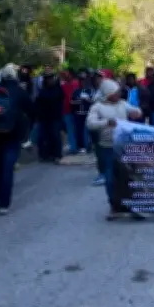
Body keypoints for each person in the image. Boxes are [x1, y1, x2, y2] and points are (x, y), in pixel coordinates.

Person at [86, 79, 142, 220]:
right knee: (110, 178)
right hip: (106, 147)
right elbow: (90, 123)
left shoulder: (122, 104)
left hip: (123, 146)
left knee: (127, 176)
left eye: (118, 92)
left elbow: (136, 110)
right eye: (115, 92)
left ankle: (131, 205)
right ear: (108, 93)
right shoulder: (97, 107)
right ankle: (114, 206)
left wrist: (136, 112)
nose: (118, 94)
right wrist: (106, 122)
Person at [0, 64, 33, 215]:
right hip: (12, 133)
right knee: (8, 166)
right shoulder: (19, 91)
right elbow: (32, 110)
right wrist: (27, 129)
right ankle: (4, 203)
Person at [35, 71, 64, 163]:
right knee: (43, 137)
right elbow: (38, 103)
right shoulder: (43, 90)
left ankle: (57, 154)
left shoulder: (57, 90)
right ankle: (45, 154)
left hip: (55, 117)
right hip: (44, 117)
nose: (49, 80)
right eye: (47, 79)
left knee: (55, 135)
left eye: (50, 78)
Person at [70, 71, 95, 153]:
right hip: (78, 113)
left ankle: (91, 145)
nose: (82, 82)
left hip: (88, 113)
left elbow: (93, 101)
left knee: (90, 130)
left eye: (84, 80)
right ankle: (81, 147)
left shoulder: (90, 90)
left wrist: (87, 99)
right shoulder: (76, 91)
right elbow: (72, 101)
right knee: (79, 131)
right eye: (81, 80)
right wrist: (79, 101)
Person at [61, 69, 80, 155]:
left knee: (74, 129)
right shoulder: (63, 85)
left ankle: (76, 147)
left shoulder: (76, 83)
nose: (65, 76)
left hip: (75, 109)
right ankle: (74, 147)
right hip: (67, 110)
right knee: (70, 129)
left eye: (66, 74)